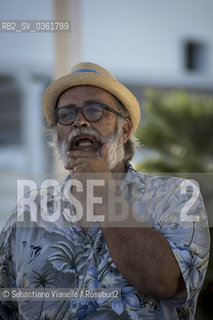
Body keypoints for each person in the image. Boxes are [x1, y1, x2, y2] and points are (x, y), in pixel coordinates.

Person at [0, 62, 210, 320]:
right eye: (66, 114)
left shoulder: (176, 197)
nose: (80, 120)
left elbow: (161, 281)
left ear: (124, 130)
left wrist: (103, 190)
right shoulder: (28, 212)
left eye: (94, 110)